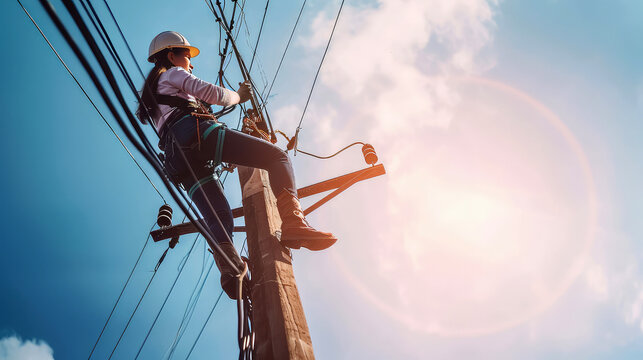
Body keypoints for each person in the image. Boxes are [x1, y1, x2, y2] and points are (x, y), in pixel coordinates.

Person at [137, 31, 337, 299]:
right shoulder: (172, 73)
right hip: (196, 135)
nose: (191, 63)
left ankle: (230, 270)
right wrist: (239, 96)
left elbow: (179, 111)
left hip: (178, 160)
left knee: (219, 214)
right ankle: (293, 222)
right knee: (277, 157)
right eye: (187, 56)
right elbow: (211, 92)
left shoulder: (153, 96)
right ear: (172, 56)